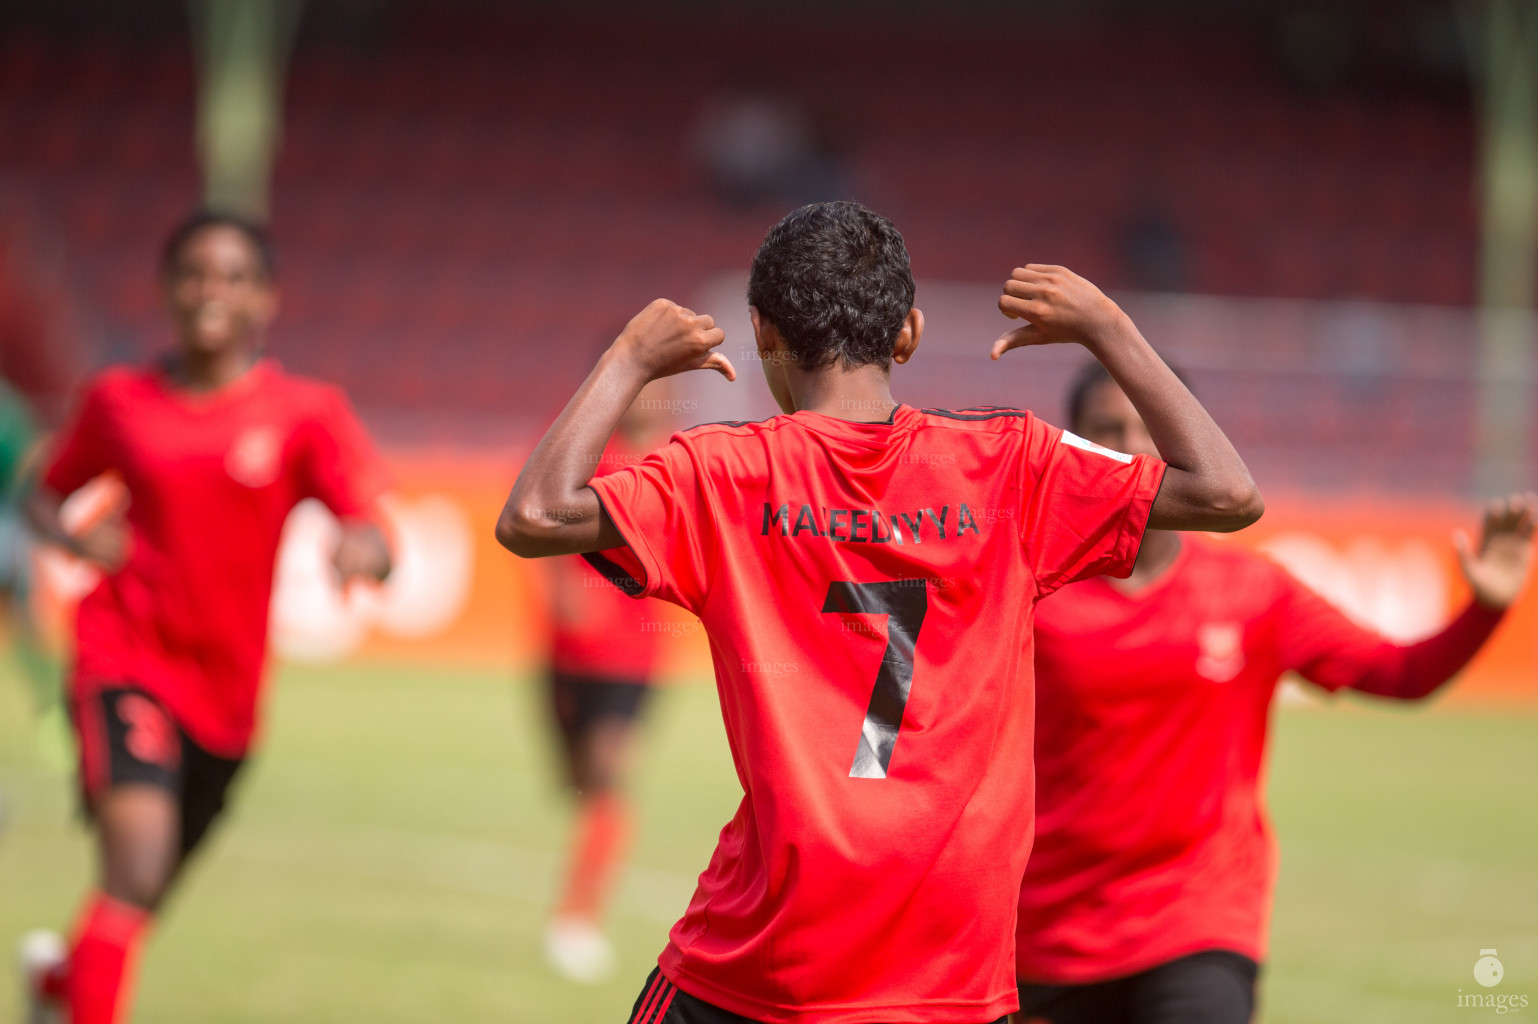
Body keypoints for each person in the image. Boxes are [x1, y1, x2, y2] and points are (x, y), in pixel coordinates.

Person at [495, 200, 1264, 1024]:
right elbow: (1227, 493)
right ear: (910, 334)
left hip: (765, 957)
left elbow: (534, 516)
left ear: (762, 336)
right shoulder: (1011, 465)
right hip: (953, 964)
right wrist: (1109, 326)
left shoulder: (724, 474)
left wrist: (627, 360)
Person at [1013, 361, 1536, 1024]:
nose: (1134, 448)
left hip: (1198, 923)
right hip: (1049, 935)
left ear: (1187, 442)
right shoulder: (1029, 593)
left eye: (1151, 428)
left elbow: (1401, 676)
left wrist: (1482, 611)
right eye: (1108, 430)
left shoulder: (1254, 592)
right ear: (1075, 445)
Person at [17, 210, 392, 1024]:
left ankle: (57, 986)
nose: (209, 291)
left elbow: (372, 525)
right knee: (136, 867)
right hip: (124, 655)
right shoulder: (119, 401)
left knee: (139, 899)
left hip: (226, 698)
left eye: (231, 276)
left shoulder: (305, 412)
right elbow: (41, 495)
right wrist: (75, 536)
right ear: (166, 289)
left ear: (267, 297)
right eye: (193, 273)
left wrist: (362, 553)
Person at [541, 382, 675, 983]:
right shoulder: (589, 454)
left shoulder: (676, 460)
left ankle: (577, 919)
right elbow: (537, 523)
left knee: (606, 778)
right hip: (569, 657)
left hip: (634, 659)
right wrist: (562, 588)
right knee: (574, 783)